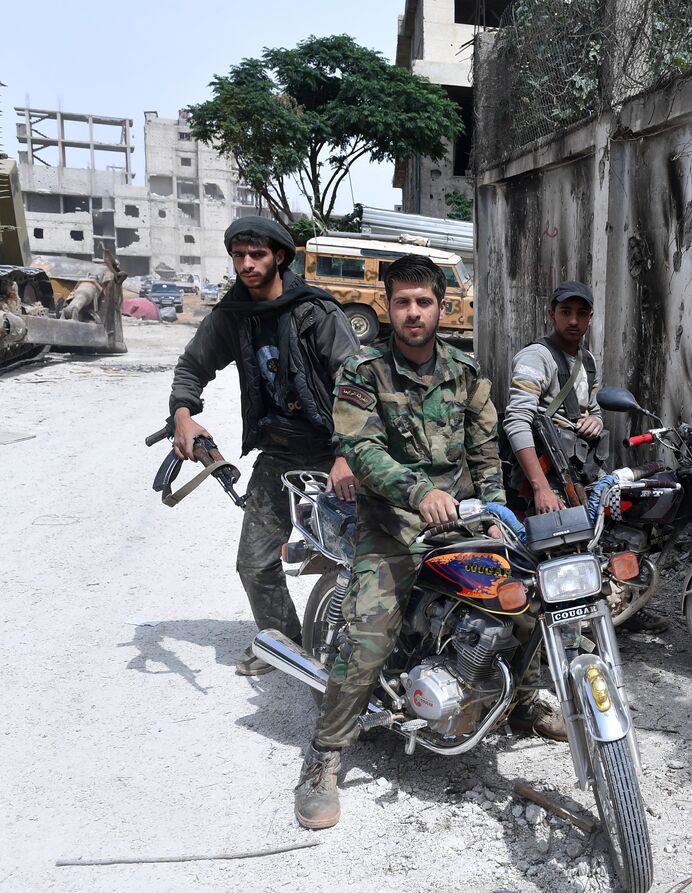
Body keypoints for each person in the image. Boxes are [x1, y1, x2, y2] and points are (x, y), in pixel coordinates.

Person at [296, 254, 564, 831]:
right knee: (370, 629)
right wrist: (417, 492)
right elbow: (361, 449)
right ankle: (325, 755)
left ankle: (520, 702)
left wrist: (496, 512)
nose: (413, 312)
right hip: (387, 519)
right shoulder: (362, 371)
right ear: (387, 308)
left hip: (457, 516)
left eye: (423, 301)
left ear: (442, 307)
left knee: (527, 594)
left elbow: (485, 453)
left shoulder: (467, 373)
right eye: (402, 302)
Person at [167, 217, 358, 677]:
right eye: (239, 255)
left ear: (280, 257)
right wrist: (183, 417)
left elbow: (357, 385)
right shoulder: (233, 316)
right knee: (254, 562)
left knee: (357, 557)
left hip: (335, 451)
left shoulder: (316, 312)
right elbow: (192, 366)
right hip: (278, 454)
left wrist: (347, 454)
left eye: (257, 254)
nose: (247, 264)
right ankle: (285, 641)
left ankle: (360, 646)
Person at [502, 281, 605, 514]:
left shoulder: (588, 361)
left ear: (590, 318)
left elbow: (595, 409)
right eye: (565, 312)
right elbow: (517, 421)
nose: (573, 321)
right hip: (546, 471)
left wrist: (595, 422)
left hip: (581, 468)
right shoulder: (536, 357)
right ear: (551, 314)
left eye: (581, 314)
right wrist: (541, 489)